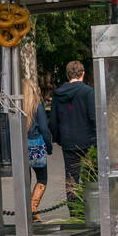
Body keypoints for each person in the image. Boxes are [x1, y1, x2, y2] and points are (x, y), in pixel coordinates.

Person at [49, 60, 96, 204]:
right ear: (82, 74)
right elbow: (94, 117)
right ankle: (91, 207)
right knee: (92, 175)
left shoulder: (57, 94)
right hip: (88, 140)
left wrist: (59, 139)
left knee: (71, 177)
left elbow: (54, 121)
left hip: (68, 141)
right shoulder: (88, 92)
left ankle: (74, 210)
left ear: (67, 75)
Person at [24, 74, 53, 222]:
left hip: (21, 147)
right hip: (37, 148)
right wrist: (49, 147)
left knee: (25, 180)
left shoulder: (16, 107)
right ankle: (33, 210)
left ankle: (25, 211)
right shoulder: (37, 105)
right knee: (42, 178)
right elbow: (44, 128)